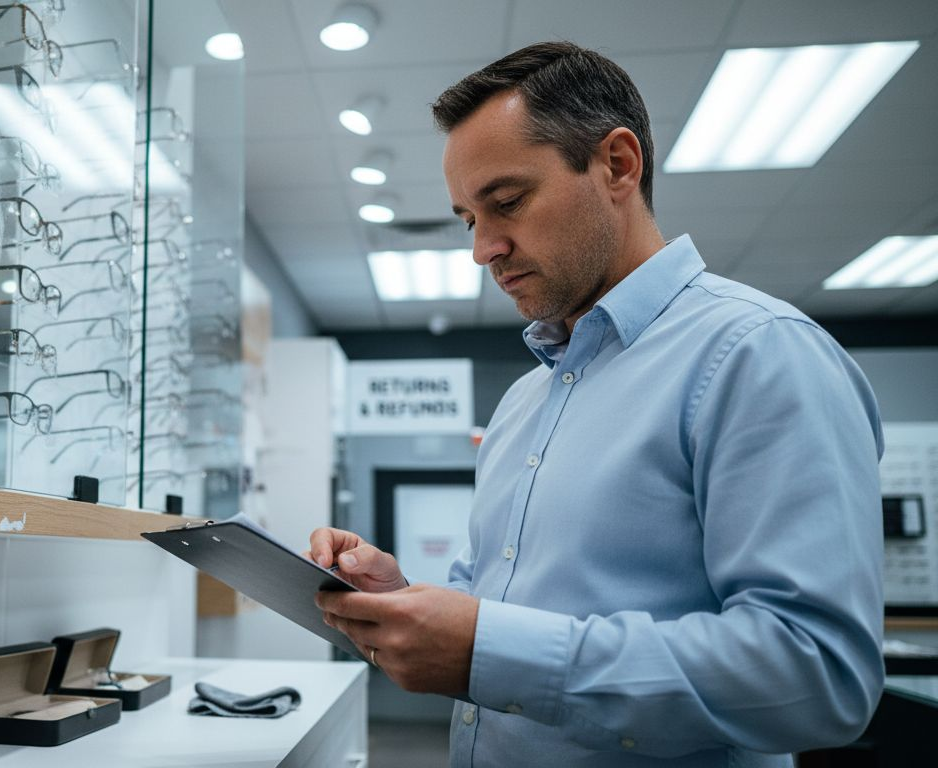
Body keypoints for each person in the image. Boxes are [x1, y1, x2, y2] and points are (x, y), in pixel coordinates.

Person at [311, 41, 884, 767]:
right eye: (466, 219)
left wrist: (492, 651)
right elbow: (501, 597)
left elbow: (816, 676)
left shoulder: (758, 354)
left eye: (507, 202)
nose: (483, 249)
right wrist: (400, 598)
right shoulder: (525, 399)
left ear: (617, 164)